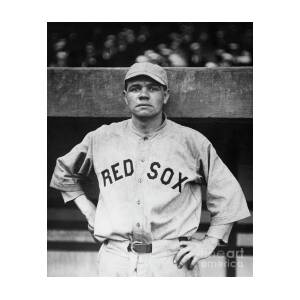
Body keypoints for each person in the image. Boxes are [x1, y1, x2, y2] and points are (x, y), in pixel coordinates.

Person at [50, 62, 250, 276]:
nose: (143, 94)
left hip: (171, 259)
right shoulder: (101, 138)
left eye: (152, 88)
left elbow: (228, 195)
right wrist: (90, 213)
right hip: (115, 257)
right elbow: (63, 172)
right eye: (136, 88)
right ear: (125, 96)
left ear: (165, 96)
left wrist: (209, 242)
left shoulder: (192, 142)